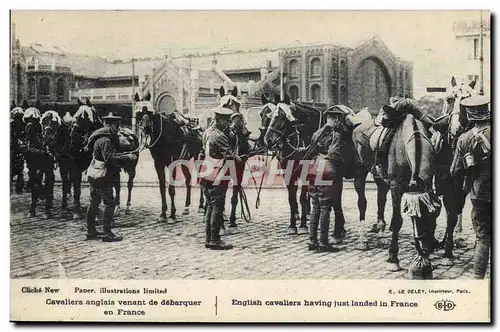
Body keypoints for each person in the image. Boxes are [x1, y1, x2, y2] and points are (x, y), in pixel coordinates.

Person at [450, 95, 491, 279]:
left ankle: (477, 280)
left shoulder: (464, 138)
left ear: (469, 114)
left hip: (479, 195)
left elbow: (455, 170)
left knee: (483, 238)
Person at [84, 112, 137, 242]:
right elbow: (109, 158)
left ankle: (91, 231)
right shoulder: (106, 141)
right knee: (109, 203)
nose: (118, 129)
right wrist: (127, 157)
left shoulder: (98, 138)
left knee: (94, 202)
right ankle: (108, 233)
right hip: (103, 176)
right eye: (116, 126)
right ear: (110, 126)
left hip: (94, 174)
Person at [304, 107, 348, 252]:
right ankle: (323, 243)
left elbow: (312, 145)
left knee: (315, 205)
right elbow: (334, 153)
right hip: (327, 169)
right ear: (336, 120)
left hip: (314, 167)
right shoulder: (336, 134)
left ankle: (312, 241)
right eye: (339, 119)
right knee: (325, 207)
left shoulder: (318, 133)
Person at [200, 107, 241, 250]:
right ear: (221, 120)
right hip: (217, 175)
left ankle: (208, 238)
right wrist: (238, 159)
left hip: (206, 172)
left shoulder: (207, 132)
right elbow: (228, 156)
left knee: (210, 206)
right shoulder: (220, 136)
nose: (228, 124)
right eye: (226, 121)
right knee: (217, 206)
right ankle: (215, 240)